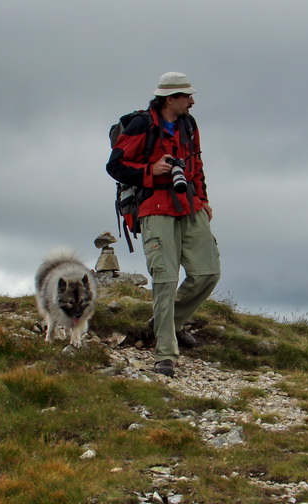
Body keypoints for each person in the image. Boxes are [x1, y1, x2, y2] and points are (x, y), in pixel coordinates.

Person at [106, 72, 221, 377]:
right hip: (154, 206)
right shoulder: (141, 124)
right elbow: (115, 166)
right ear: (170, 99)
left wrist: (204, 198)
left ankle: (167, 323)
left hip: (189, 203)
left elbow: (196, 163)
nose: (192, 102)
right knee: (165, 280)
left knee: (208, 272)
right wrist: (151, 170)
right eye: (187, 97)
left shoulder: (189, 125)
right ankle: (165, 354)